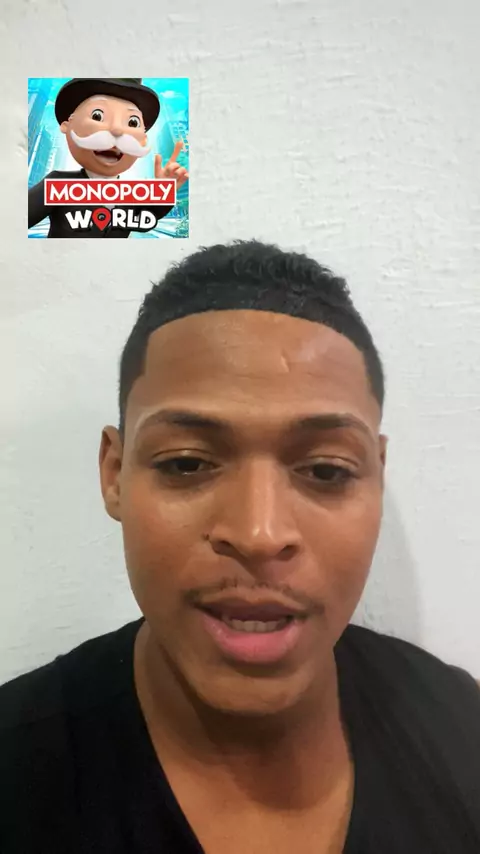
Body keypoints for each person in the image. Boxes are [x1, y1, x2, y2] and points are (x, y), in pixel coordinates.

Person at [1, 240, 479, 853]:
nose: (259, 535)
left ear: (377, 478)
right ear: (114, 473)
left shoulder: (459, 726)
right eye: (186, 462)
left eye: (327, 470)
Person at [28, 77, 188, 238]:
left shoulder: (130, 193)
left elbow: (147, 218)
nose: (117, 130)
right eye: (97, 116)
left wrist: (165, 190)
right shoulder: (58, 184)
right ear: (67, 125)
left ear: (143, 139)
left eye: (132, 123)